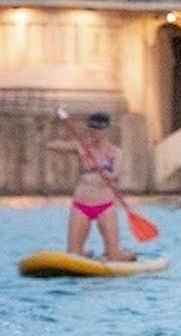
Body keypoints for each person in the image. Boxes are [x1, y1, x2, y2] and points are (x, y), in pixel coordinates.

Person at [44, 109, 133, 261]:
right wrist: (50, 122)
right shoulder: (81, 146)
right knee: (72, 256)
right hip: (81, 204)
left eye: (98, 130)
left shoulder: (116, 152)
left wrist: (110, 175)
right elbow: (48, 144)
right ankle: (83, 253)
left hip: (105, 204)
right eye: (92, 129)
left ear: (106, 130)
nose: (94, 133)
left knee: (113, 257)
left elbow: (116, 173)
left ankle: (125, 254)